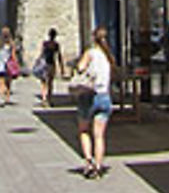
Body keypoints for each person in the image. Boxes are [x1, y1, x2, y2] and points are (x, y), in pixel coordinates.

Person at [73, 26, 114, 179]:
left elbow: (80, 68)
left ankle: (89, 161)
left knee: (84, 130)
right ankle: (98, 165)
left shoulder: (90, 53)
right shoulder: (108, 57)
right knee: (99, 136)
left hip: (89, 97)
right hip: (104, 97)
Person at [33, 28, 65, 106]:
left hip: (45, 64)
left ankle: (44, 98)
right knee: (50, 83)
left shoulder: (45, 44)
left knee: (44, 82)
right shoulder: (56, 45)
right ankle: (49, 99)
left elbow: (42, 53)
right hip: (52, 64)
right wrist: (62, 68)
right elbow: (59, 56)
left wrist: (37, 61)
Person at [0, 26, 18, 106]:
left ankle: (1, 98)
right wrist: (16, 64)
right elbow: (13, 55)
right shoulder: (11, 43)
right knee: (8, 82)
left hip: (1, 64)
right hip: (9, 65)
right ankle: (7, 97)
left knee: (1, 82)